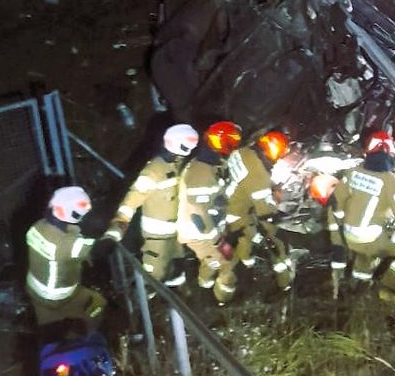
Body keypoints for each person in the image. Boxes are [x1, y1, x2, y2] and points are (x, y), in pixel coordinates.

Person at [328, 131, 395, 302]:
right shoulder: (390, 181)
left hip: (349, 237)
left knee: (367, 253)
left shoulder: (353, 172)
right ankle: (391, 291)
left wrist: (343, 226)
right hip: (372, 240)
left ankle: (358, 289)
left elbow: (336, 202)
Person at [103, 123, 199, 287]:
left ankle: (174, 293)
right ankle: (148, 299)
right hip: (157, 235)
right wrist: (119, 223)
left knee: (177, 264)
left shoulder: (177, 163)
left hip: (177, 230)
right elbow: (133, 198)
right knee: (153, 272)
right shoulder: (153, 172)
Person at [215, 129, 294, 303]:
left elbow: (248, 179)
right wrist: (275, 210)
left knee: (237, 254)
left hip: (228, 210)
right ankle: (285, 286)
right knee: (277, 245)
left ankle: (227, 294)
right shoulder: (259, 176)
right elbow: (265, 211)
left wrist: (270, 186)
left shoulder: (244, 152)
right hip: (238, 217)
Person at [25, 185, 106, 334]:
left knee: (48, 326)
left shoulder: (36, 227)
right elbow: (105, 247)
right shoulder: (70, 244)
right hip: (59, 298)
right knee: (98, 304)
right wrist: (118, 228)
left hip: (34, 290)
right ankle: (88, 334)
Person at [176, 121, 232, 293]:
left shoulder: (210, 164)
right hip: (198, 233)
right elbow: (198, 213)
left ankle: (205, 282)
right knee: (223, 263)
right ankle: (222, 295)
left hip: (209, 229)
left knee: (215, 259)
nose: (230, 146)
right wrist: (216, 240)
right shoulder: (201, 172)